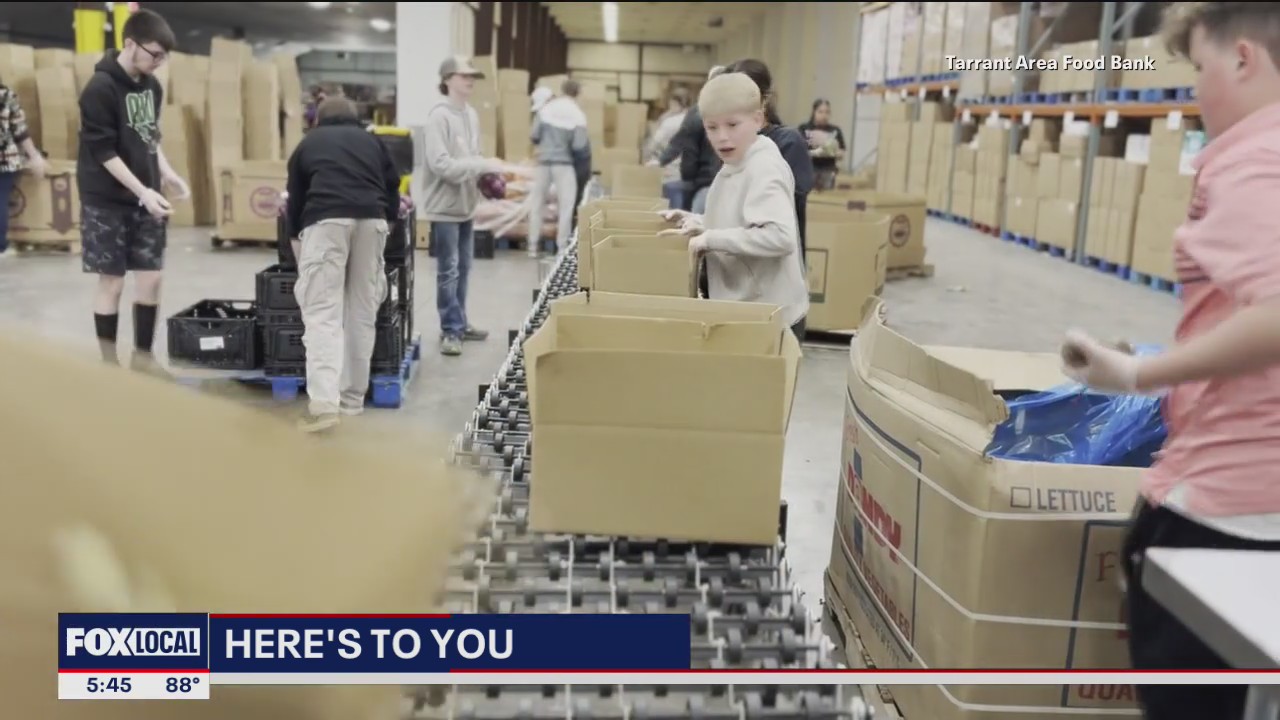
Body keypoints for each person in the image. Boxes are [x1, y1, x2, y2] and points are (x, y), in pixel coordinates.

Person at [1059, 5, 1280, 720]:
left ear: (1244, 59)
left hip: (1230, 508)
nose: (1194, 92)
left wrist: (1134, 376)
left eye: (1201, 70)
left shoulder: (1254, 159)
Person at [77, 8, 188, 367]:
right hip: (106, 200)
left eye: (164, 56)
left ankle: (143, 358)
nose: (160, 62)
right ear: (130, 44)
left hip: (147, 197)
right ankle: (109, 364)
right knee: (112, 281)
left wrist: (167, 173)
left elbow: (149, 136)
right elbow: (103, 151)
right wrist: (141, 190)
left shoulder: (152, 86)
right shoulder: (100, 88)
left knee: (152, 278)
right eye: (155, 54)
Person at [284, 96, 402, 433]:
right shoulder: (373, 142)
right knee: (362, 312)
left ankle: (324, 406)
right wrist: (386, 225)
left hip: (326, 222)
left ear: (319, 120)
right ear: (356, 118)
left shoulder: (309, 144)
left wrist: (299, 252)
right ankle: (352, 400)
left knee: (322, 313)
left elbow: (295, 202)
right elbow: (393, 189)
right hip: (373, 222)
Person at [661, 71, 808, 340]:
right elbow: (742, 222)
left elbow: (779, 236)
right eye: (712, 127)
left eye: (732, 124)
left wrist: (711, 239)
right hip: (749, 310)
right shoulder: (736, 162)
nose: (722, 137)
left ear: (758, 120)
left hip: (770, 318)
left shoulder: (763, 168)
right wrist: (697, 222)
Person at [421, 56, 504, 357]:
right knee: (448, 270)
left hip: (466, 205)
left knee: (465, 268)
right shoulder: (438, 118)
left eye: (473, 77)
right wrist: (481, 164)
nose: (470, 81)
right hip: (444, 207)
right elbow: (441, 164)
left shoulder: (470, 115)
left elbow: (473, 156)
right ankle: (450, 330)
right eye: (464, 75)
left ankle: (461, 321)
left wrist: (487, 177)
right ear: (447, 80)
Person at [722, 59, 816, 260]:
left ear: (763, 100)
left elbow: (780, 212)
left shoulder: (788, 142)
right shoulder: (734, 143)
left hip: (775, 264)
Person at [527, 79, 589, 258]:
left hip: (544, 162)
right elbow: (579, 145)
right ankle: (561, 247)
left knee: (537, 204)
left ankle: (532, 246)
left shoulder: (546, 109)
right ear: (577, 93)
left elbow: (534, 135)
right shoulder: (578, 115)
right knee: (566, 206)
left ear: (562, 90)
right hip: (564, 164)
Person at [657, 65, 726, 213]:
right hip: (712, 180)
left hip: (704, 181)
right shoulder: (735, 111)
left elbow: (680, 140)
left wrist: (661, 160)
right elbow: (681, 139)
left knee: (694, 222)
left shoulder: (699, 111)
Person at [0, 77, 49, 260]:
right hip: (6, 160)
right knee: (1, 201)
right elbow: (19, 130)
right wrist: (35, 156)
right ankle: (0, 247)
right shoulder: (6, 95)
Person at [644, 87, 690, 209]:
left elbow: (653, 144)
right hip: (690, 176)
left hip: (670, 174)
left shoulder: (669, 123)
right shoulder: (694, 119)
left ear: (674, 103)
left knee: (672, 212)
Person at [798, 98, 846, 191]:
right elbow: (799, 150)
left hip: (828, 171)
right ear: (814, 112)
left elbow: (842, 152)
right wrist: (815, 151)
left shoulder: (835, 130)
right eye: (820, 112)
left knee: (826, 198)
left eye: (827, 112)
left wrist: (831, 151)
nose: (824, 115)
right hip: (808, 170)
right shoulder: (804, 129)